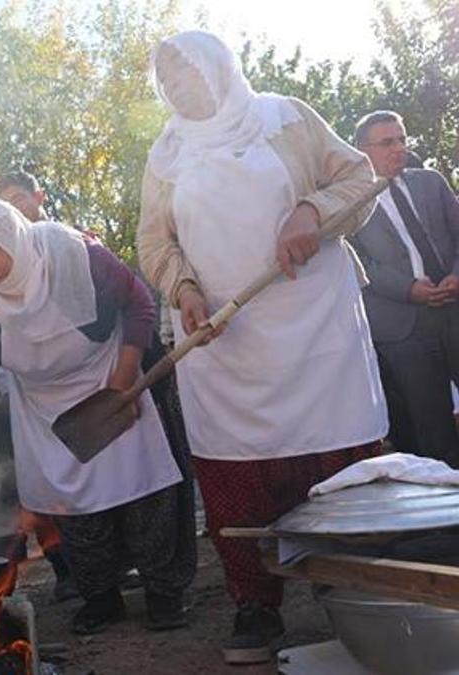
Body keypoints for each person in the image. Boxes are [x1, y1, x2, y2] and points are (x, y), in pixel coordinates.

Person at [137, 31, 387, 665]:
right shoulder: (165, 154)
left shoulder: (286, 117)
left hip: (315, 331)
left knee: (337, 469)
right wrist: (184, 287)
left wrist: (310, 211)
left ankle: (356, 591)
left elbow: (359, 178)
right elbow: (155, 245)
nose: (176, 88)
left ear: (218, 70)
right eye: (166, 81)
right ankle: (255, 604)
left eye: (186, 74)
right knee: (233, 474)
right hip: (221, 341)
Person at [0, 198, 193, 636]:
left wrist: (122, 381)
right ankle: (101, 598)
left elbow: (138, 301)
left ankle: (164, 593)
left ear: (14, 237)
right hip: (43, 405)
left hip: (109, 373)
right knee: (75, 507)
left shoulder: (69, 252)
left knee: (143, 490)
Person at [350, 110, 459, 467]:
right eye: (387, 142)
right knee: (432, 431)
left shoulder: (430, 182)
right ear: (363, 150)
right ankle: (446, 511)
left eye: (401, 139)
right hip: (403, 328)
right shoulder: (350, 201)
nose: (398, 148)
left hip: (454, 309)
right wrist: (408, 289)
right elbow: (361, 262)